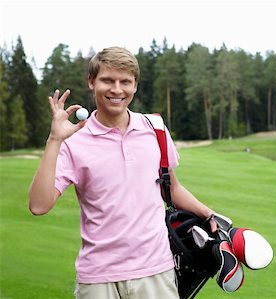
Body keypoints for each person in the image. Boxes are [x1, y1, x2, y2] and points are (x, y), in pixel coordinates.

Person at [28, 46, 216, 299]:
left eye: (125, 81)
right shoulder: (74, 140)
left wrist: (207, 213)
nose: (117, 89)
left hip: (156, 272)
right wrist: (54, 139)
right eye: (107, 80)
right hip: (98, 278)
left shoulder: (156, 129)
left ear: (135, 85)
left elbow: (171, 188)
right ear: (92, 82)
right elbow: (39, 205)